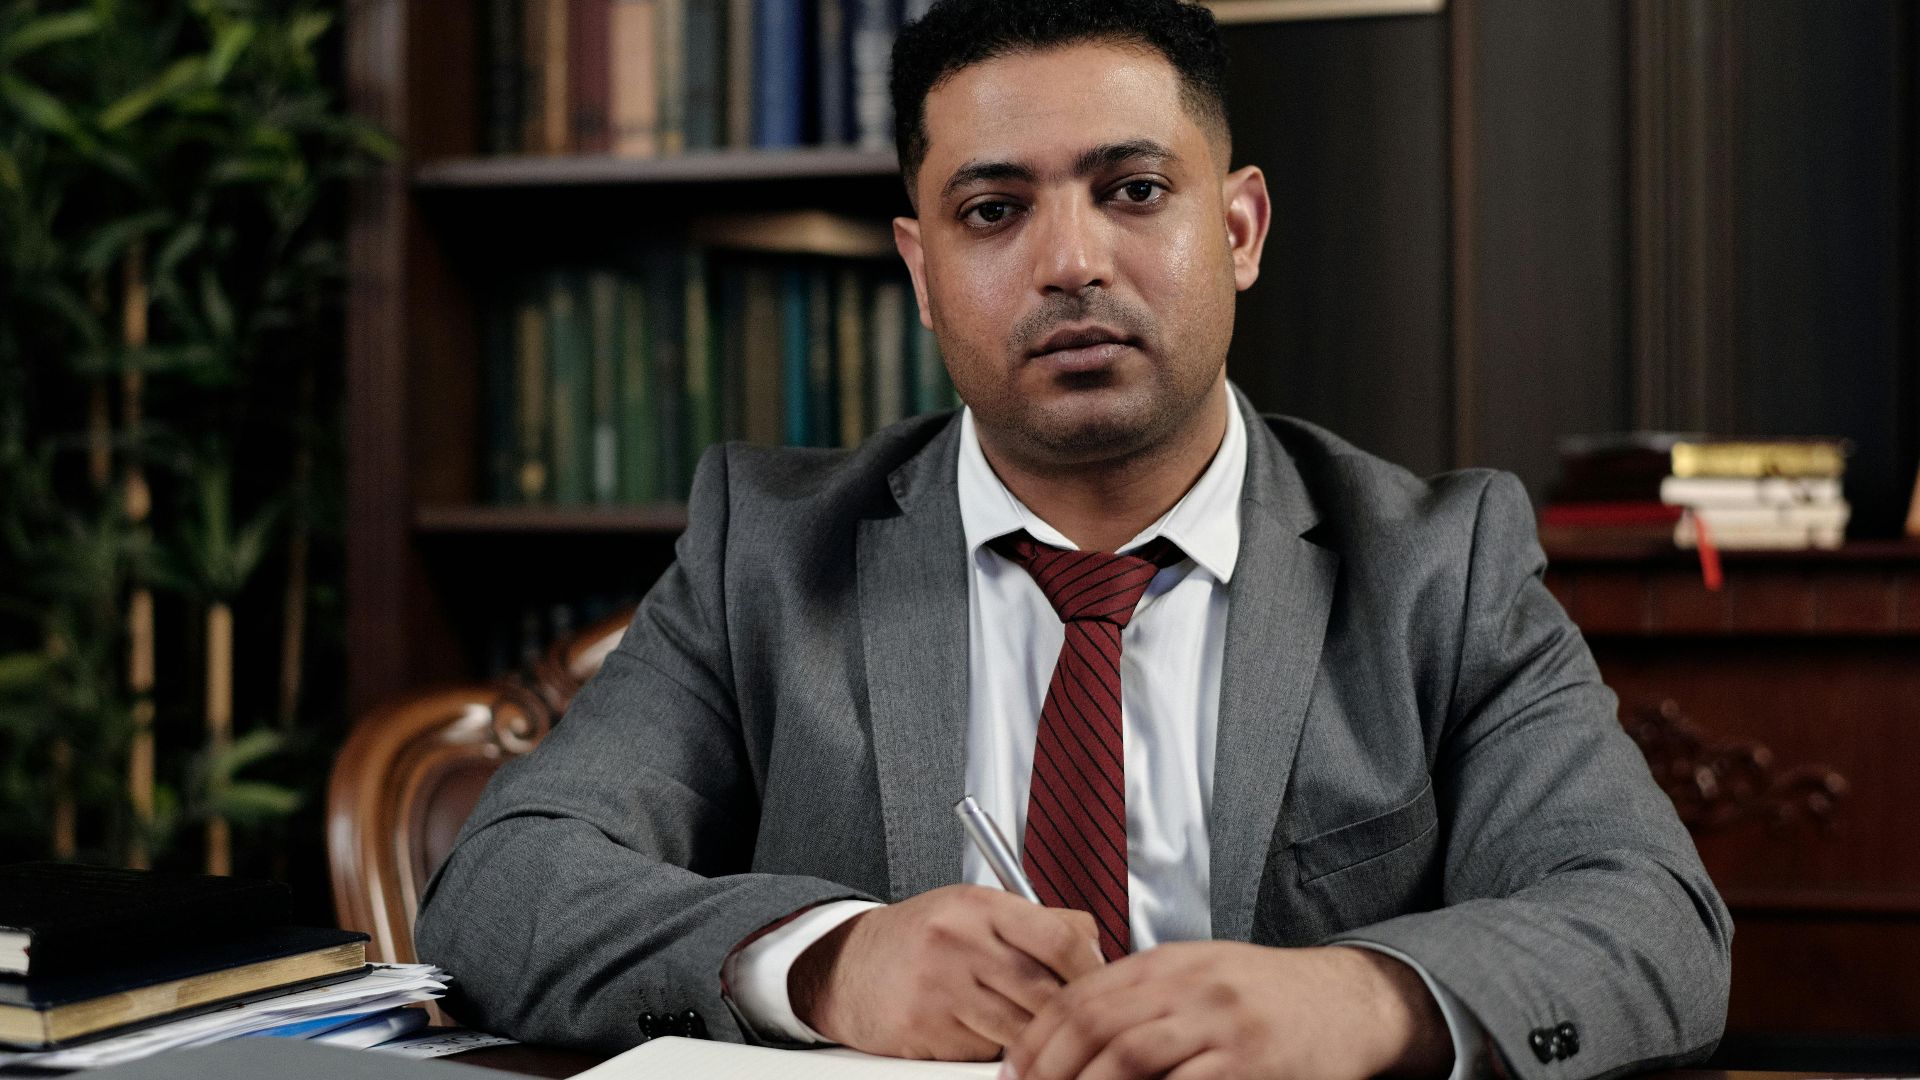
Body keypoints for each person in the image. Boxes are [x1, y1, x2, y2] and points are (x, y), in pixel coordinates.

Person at [414, 2, 1731, 1077]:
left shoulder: (1441, 568)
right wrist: (826, 961)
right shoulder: (765, 553)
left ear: (1239, 229)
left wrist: (1353, 1000)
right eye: (994, 210)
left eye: (1134, 189)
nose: (1070, 262)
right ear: (922, 269)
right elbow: (499, 891)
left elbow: (1653, 924)